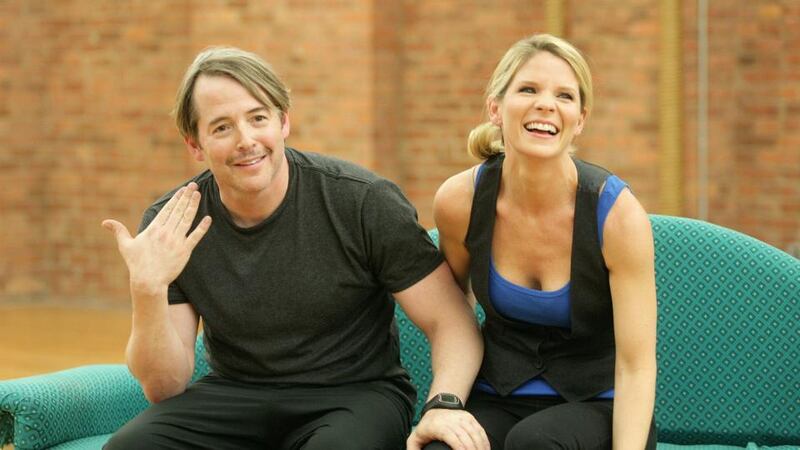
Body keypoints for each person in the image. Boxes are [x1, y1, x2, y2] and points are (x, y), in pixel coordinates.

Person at [102, 46, 489, 450]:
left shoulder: (362, 202)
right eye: (221, 128)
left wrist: (445, 403)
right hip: (235, 394)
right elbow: (166, 386)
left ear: (284, 121)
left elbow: (451, 320)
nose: (246, 140)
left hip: (354, 396)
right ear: (195, 145)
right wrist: (146, 289)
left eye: (258, 118)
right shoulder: (171, 227)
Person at [428, 34, 658, 449]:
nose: (546, 104)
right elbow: (452, 312)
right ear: (496, 109)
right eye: (528, 89)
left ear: (580, 120)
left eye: (564, 95)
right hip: (498, 395)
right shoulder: (459, 202)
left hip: (600, 405)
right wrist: (445, 405)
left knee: (534, 443)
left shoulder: (618, 217)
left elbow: (636, 365)